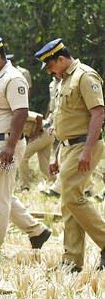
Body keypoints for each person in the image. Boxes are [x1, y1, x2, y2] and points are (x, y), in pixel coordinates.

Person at [0, 37, 51, 253]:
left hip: (6, 144)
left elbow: (21, 113)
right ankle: (37, 231)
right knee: (0, 193)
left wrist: (9, 147)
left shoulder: (13, 78)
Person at [37, 38, 105, 271]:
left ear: (61, 58)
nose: (49, 71)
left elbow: (98, 113)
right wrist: (56, 154)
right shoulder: (64, 80)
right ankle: (72, 261)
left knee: (73, 199)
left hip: (83, 145)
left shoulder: (84, 76)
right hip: (68, 147)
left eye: (50, 66)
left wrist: (87, 150)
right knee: (69, 203)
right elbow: (65, 122)